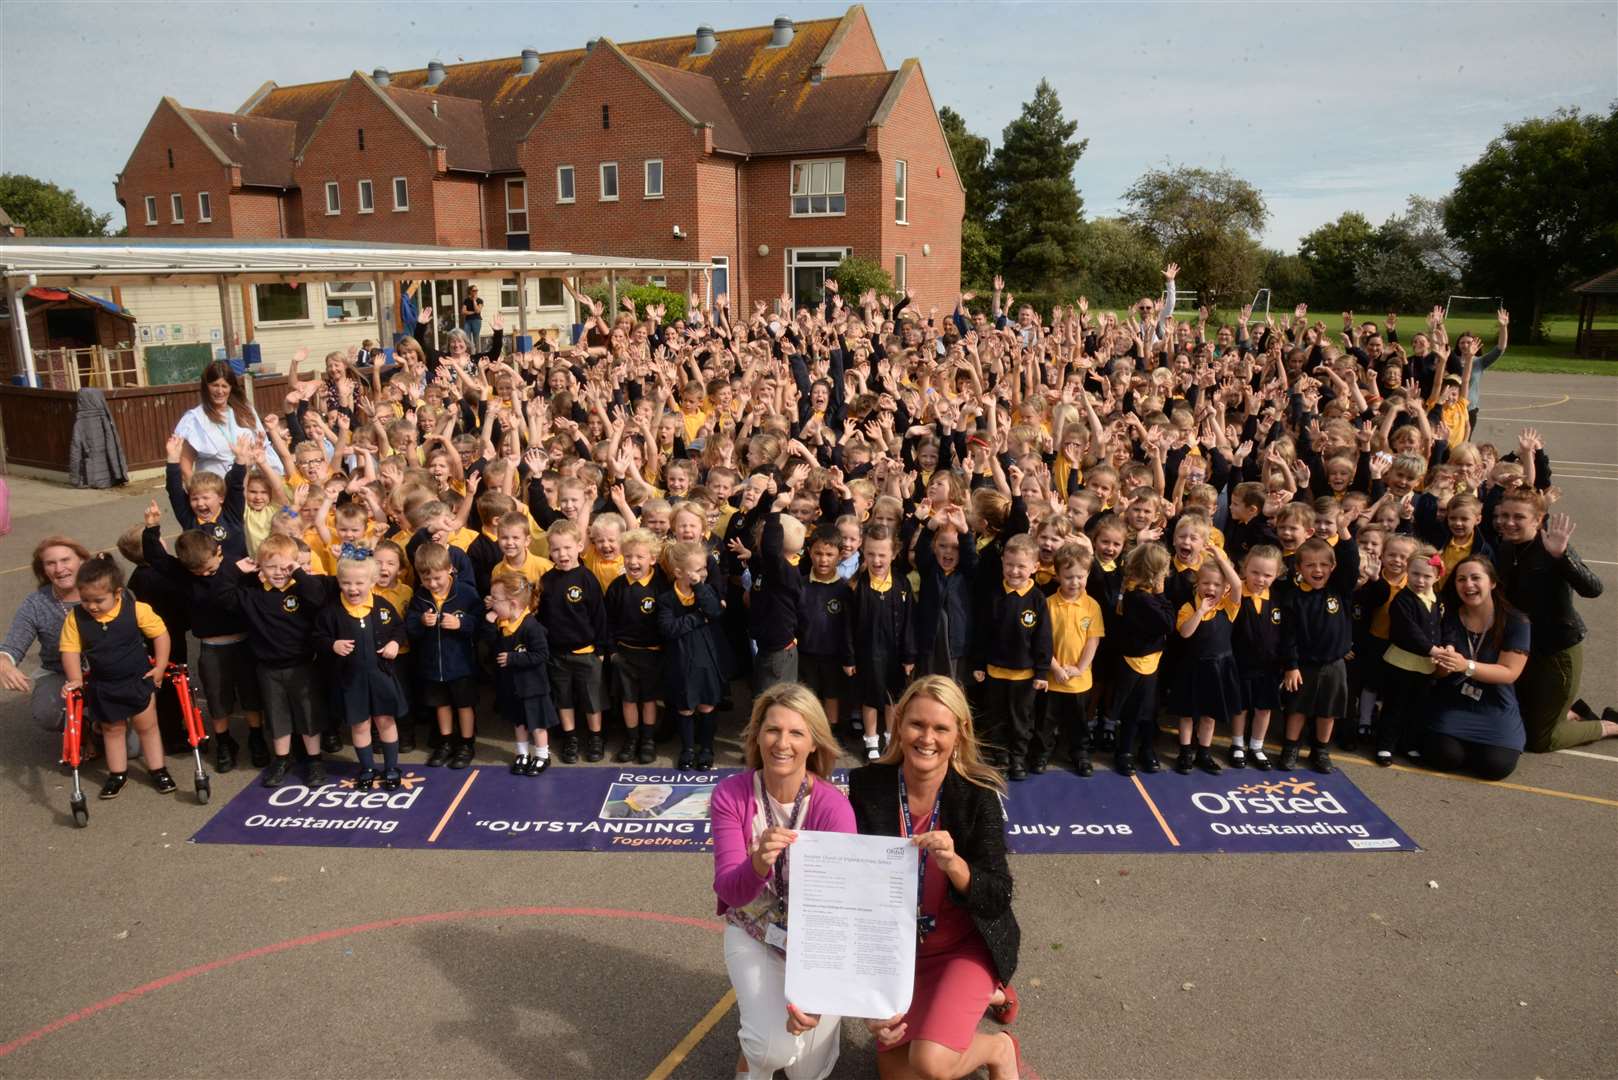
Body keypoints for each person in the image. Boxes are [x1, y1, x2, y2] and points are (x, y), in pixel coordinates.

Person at [846, 676, 1023, 1080]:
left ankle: (998, 1048)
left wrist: (956, 865)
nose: (927, 738)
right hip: (901, 955)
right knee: (896, 1073)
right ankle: (988, 999)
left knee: (931, 1063)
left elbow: (997, 895)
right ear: (899, 725)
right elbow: (851, 888)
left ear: (959, 735)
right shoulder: (867, 786)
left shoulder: (977, 794)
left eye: (940, 728)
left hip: (965, 945)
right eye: (917, 724)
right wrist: (863, 998)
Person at [710, 682, 854, 1080]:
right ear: (757, 735)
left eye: (796, 732)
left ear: (814, 744)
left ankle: (789, 1028)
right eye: (773, 729)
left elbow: (841, 913)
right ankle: (752, 1054)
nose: (782, 743)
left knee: (805, 1074)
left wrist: (819, 996)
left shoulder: (833, 807)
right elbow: (729, 890)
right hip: (755, 932)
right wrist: (757, 862)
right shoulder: (731, 795)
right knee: (768, 1050)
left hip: (816, 944)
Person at [1492, 492, 1615, 751]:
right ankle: (1572, 713)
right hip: (1522, 649)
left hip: (1557, 650)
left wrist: (1562, 558)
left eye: (1518, 517)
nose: (1509, 522)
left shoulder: (1552, 548)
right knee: (1517, 722)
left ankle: (1609, 725)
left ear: (1538, 520)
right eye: (1504, 515)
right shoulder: (1504, 548)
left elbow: (1593, 589)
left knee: (1541, 741)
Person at [59, 555, 174, 799]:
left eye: (99, 600)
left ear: (118, 593)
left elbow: (161, 633)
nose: (91, 606)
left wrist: (161, 666)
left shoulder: (136, 609)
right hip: (104, 684)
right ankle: (117, 773)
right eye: (86, 599)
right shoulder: (76, 618)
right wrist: (76, 679)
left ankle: (158, 769)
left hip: (138, 679)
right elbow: (70, 649)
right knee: (112, 729)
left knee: (148, 726)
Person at [1425, 557, 1530, 780]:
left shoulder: (1516, 622)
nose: (1468, 585)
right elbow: (1437, 674)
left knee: (1495, 767)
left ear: (1492, 582)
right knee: (1443, 758)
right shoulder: (1447, 617)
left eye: (1475, 578)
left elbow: (1509, 672)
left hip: (1495, 706)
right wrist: (1444, 666)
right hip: (1453, 703)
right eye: (1461, 579)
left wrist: (1466, 666)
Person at [0, 536, 88, 730]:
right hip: (59, 672)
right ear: (43, 569)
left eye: (66, 560)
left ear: (81, 560)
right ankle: (86, 729)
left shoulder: (106, 590)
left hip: (109, 670)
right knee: (48, 714)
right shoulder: (36, 603)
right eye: (51, 563)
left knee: (131, 749)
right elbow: (12, 646)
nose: (59, 569)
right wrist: (3, 664)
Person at [171, 360, 278, 480]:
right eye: (215, 385)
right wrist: (198, 492)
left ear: (231, 388)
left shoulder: (246, 411)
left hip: (249, 487)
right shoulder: (194, 419)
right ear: (206, 386)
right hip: (215, 491)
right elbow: (185, 468)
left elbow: (264, 449)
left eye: (224, 386)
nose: (220, 391)